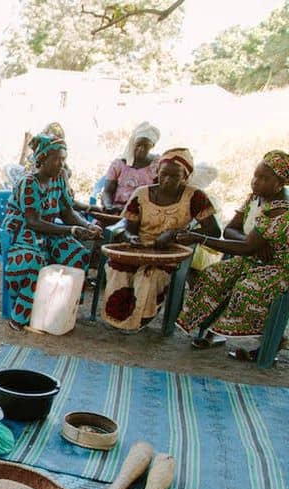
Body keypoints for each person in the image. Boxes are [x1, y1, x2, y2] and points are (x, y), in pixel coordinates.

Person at [176, 150, 289, 360]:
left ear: (279, 183)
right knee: (213, 275)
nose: (256, 182)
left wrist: (201, 238)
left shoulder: (281, 211)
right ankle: (214, 333)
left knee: (248, 288)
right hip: (253, 259)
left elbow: (246, 246)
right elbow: (230, 230)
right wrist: (251, 241)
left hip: (281, 267)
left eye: (264, 178)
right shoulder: (256, 198)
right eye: (256, 175)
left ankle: (272, 340)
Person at [100, 148, 220, 331]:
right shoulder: (142, 193)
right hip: (140, 247)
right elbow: (129, 226)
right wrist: (132, 238)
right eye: (164, 174)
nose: (167, 180)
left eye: (175, 176)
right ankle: (118, 319)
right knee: (118, 269)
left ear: (185, 177)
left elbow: (214, 230)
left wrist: (176, 233)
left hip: (171, 252)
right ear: (157, 172)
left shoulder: (195, 197)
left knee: (149, 275)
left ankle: (138, 320)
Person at [3, 134, 103, 331]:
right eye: (56, 159)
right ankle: (19, 317)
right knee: (34, 261)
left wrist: (87, 226)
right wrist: (72, 230)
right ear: (41, 159)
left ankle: (60, 310)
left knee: (77, 254)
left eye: (63, 159)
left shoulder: (58, 179)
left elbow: (67, 212)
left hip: (47, 232)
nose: (61, 164)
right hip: (20, 233)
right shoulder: (29, 182)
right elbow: (33, 222)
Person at [101, 121, 161, 213]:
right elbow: (107, 191)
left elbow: (158, 193)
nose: (141, 149)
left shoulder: (157, 165)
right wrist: (108, 206)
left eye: (146, 146)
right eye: (138, 145)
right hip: (117, 209)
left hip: (142, 212)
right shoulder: (119, 164)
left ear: (152, 146)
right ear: (133, 143)